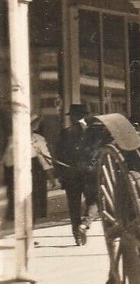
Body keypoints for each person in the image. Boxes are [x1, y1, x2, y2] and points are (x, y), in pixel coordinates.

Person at [55, 104, 101, 245]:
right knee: (93, 201)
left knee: (73, 205)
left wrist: (61, 174)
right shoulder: (93, 132)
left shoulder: (65, 133)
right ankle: (85, 224)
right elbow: (98, 151)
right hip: (89, 171)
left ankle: (77, 236)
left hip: (70, 172)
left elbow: (58, 154)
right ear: (84, 115)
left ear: (72, 117)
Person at [3, 114, 57, 227]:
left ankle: (29, 230)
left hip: (36, 175)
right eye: (33, 123)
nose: (36, 125)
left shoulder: (38, 139)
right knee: (21, 204)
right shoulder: (14, 140)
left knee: (33, 206)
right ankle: (23, 232)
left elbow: (45, 160)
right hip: (19, 173)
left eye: (37, 123)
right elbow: (8, 160)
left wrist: (51, 178)